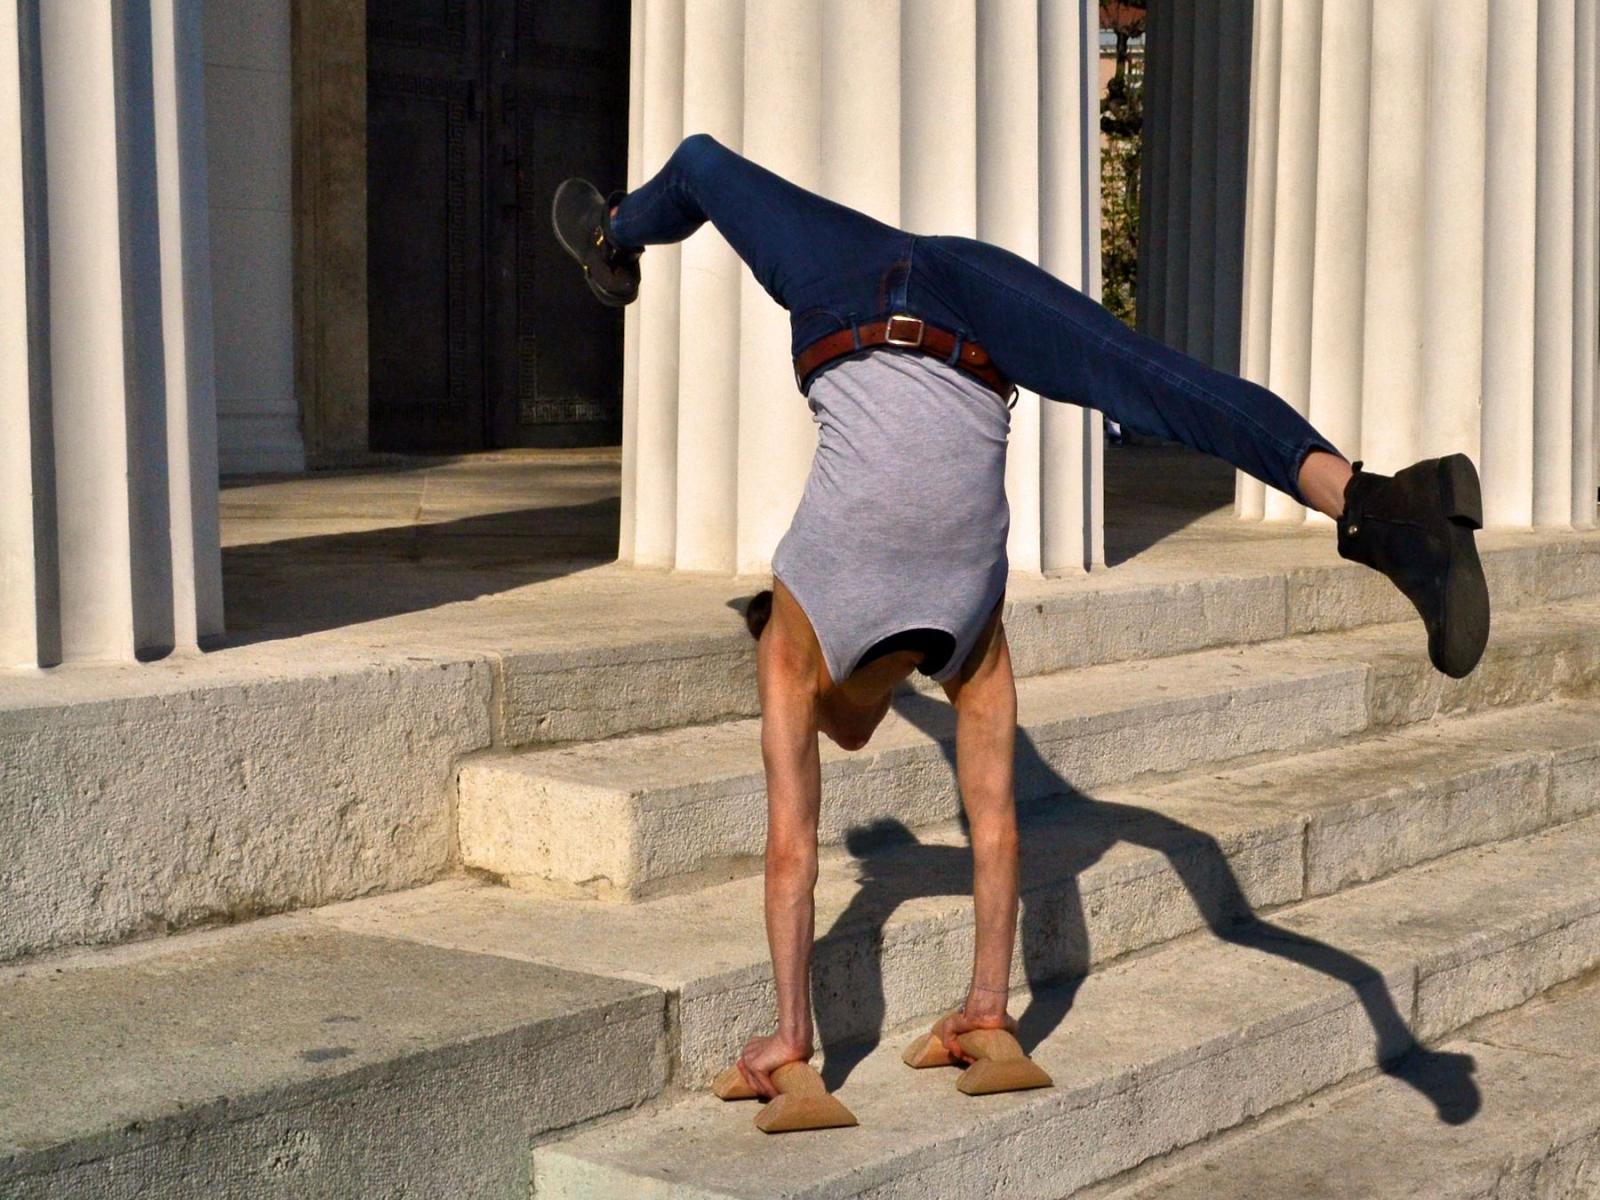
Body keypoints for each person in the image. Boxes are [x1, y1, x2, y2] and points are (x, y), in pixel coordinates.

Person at [551, 133, 1491, 1101]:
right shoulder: (967, 637)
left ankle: (611, 238)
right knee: (1148, 376)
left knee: (1139, 377)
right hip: (950, 295)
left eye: (838, 730)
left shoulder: (821, 639)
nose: (847, 738)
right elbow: (992, 828)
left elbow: (797, 853)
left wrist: (791, 1036)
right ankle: (1378, 509)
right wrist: (983, 1007)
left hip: (852, 295)